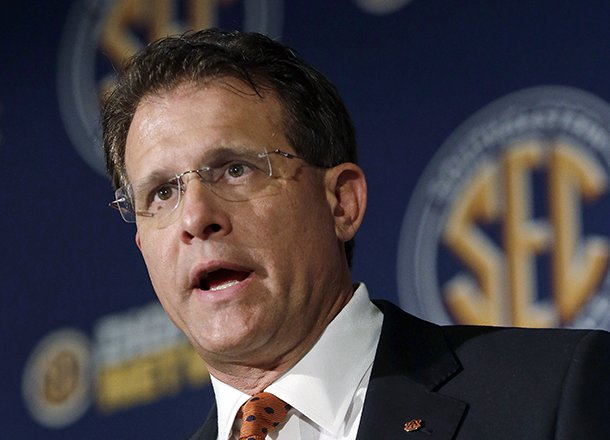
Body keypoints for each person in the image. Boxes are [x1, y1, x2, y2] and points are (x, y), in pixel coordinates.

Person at [102, 28, 610, 440]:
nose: (195, 217)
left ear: (342, 202)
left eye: (234, 170)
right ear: (143, 246)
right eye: (162, 193)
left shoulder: (552, 394)